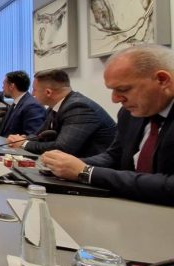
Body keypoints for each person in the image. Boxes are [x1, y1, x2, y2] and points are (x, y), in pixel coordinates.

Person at [41, 45, 174, 206]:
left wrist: (86, 172)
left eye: (123, 89)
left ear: (162, 80)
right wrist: (65, 165)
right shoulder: (129, 114)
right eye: (112, 90)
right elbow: (113, 156)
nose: (115, 99)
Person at [6, 69, 116, 156]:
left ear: (48, 92)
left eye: (34, 89)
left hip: (96, 170)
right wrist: (24, 139)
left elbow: (63, 148)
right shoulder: (54, 107)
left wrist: (24, 144)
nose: (32, 94)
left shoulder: (78, 107)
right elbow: (39, 135)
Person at [0, 70, 46, 137]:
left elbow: (32, 135)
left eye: (3, 84)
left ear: (11, 86)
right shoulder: (16, 103)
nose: (2, 87)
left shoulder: (32, 106)